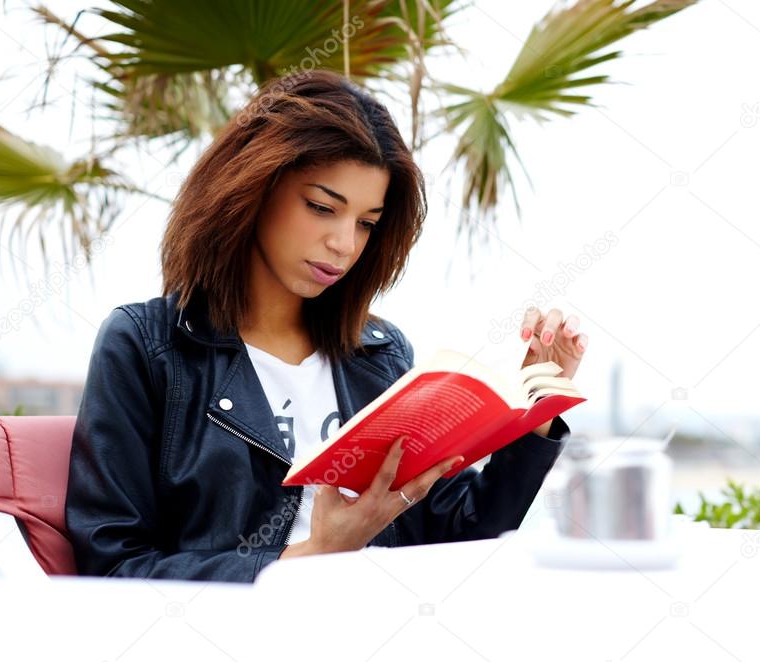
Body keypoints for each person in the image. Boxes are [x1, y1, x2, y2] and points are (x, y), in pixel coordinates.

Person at [64, 70, 589, 583]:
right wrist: (310, 557)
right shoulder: (148, 346)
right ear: (253, 189)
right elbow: (113, 566)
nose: (345, 244)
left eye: (366, 223)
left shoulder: (378, 355)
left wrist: (537, 408)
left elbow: (463, 530)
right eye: (321, 207)